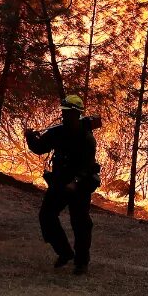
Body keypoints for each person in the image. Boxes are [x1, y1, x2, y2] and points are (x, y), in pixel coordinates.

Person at [24, 95, 99, 275]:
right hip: (59, 182)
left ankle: (81, 263)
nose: (63, 115)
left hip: (80, 187)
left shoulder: (87, 138)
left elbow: (87, 166)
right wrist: (30, 138)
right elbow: (40, 147)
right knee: (46, 216)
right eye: (63, 111)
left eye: (67, 112)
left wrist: (76, 183)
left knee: (80, 223)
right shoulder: (58, 132)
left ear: (76, 113)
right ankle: (65, 252)